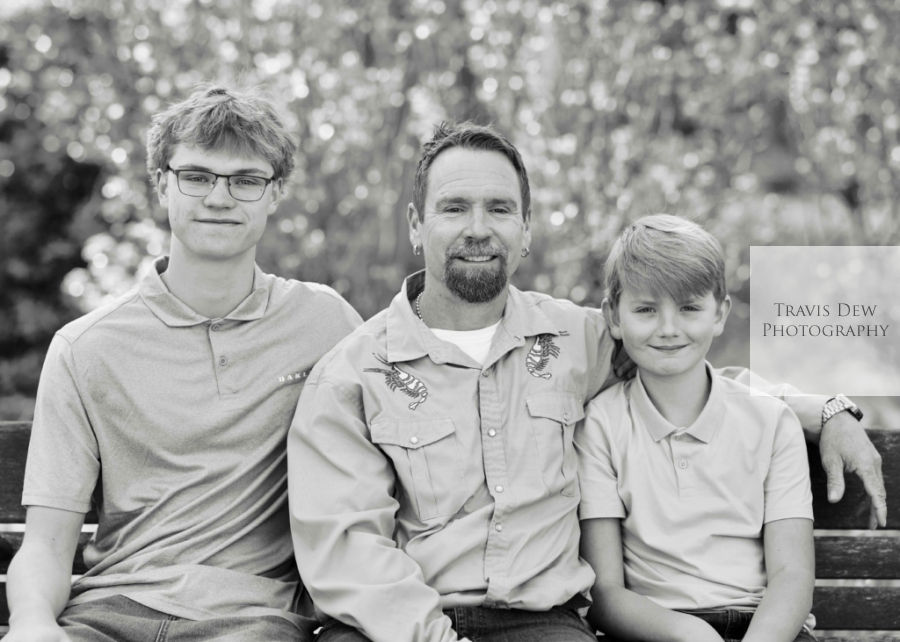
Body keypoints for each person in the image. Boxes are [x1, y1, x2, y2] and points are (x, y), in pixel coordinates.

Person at [287, 122, 885, 642]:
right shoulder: (353, 375)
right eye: (454, 208)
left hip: (540, 624)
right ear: (417, 224)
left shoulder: (573, 340)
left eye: (499, 209)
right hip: (392, 628)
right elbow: (348, 553)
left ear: (526, 229)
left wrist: (826, 411)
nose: (478, 228)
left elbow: (681, 366)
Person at [5, 84, 362, 642]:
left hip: (251, 622)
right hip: (106, 615)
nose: (219, 198)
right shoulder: (85, 348)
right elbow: (48, 543)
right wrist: (31, 623)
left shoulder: (326, 324)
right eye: (196, 176)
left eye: (246, 180)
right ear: (161, 183)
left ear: (274, 193)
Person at [576, 214, 815, 642]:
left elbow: (792, 575)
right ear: (613, 316)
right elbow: (605, 593)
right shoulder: (601, 425)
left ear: (719, 313)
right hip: (657, 631)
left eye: (689, 308)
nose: (669, 329)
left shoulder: (773, 422)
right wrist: (691, 634)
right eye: (646, 310)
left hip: (767, 629)